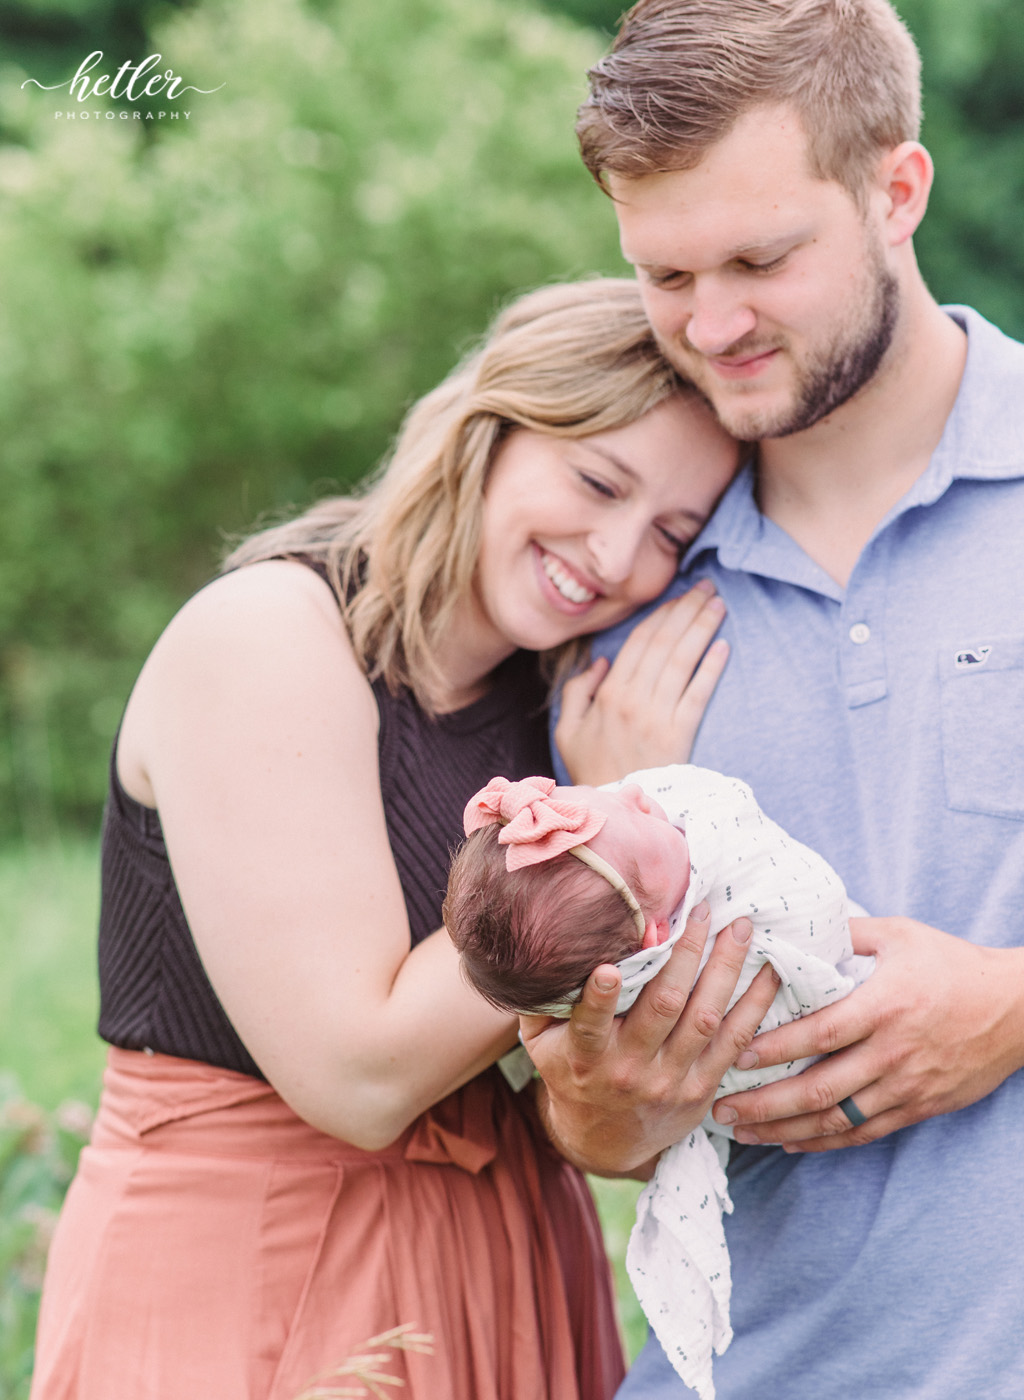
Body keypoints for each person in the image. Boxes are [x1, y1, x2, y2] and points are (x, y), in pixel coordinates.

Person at [29, 277, 771, 1400]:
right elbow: (359, 1071)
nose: (616, 553)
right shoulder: (272, 636)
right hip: (257, 1252)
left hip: (508, 1252)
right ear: (487, 430)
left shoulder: (563, 707)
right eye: (594, 479)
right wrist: (609, 824)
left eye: (670, 531)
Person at [521, 4, 1024, 1398]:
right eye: (665, 274)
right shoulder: (613, 594)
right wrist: (602, 1094)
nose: (713, 323)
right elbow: (591, 1124)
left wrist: (1010, 1001)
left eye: (760, 259)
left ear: (897, 190)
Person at [446, 767, 870, 1399]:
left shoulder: (619, 843)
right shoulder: (654, 952)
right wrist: (596, 1124)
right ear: (655, 938)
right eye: (643, 822)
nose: (641, 797)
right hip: (773, 1321)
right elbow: (815, 907)